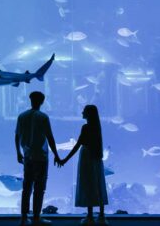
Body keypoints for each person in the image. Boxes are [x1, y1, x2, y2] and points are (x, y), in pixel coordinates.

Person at [15, 91, 61, 226]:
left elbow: (17, 136)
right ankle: (36, 217)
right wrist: (57, 156)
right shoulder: (43, 117)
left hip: (27, 156)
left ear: (30, 100)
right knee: (39, 188)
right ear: (42, 101)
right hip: (40, 157)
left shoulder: (22, 116)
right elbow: (50, 137)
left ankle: (23, 217)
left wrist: (18, 152)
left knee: (27, 187)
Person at [59, 105, 109, 225]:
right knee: (98, 183)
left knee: (88, 184)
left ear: (88, 114)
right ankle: (101, 216)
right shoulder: (97, 127)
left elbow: (77, 146)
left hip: (86, 158)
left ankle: (90, 217)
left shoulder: (86, 127)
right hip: (96, 158)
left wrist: (64, 159)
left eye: (84, 111)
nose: (82, 112)